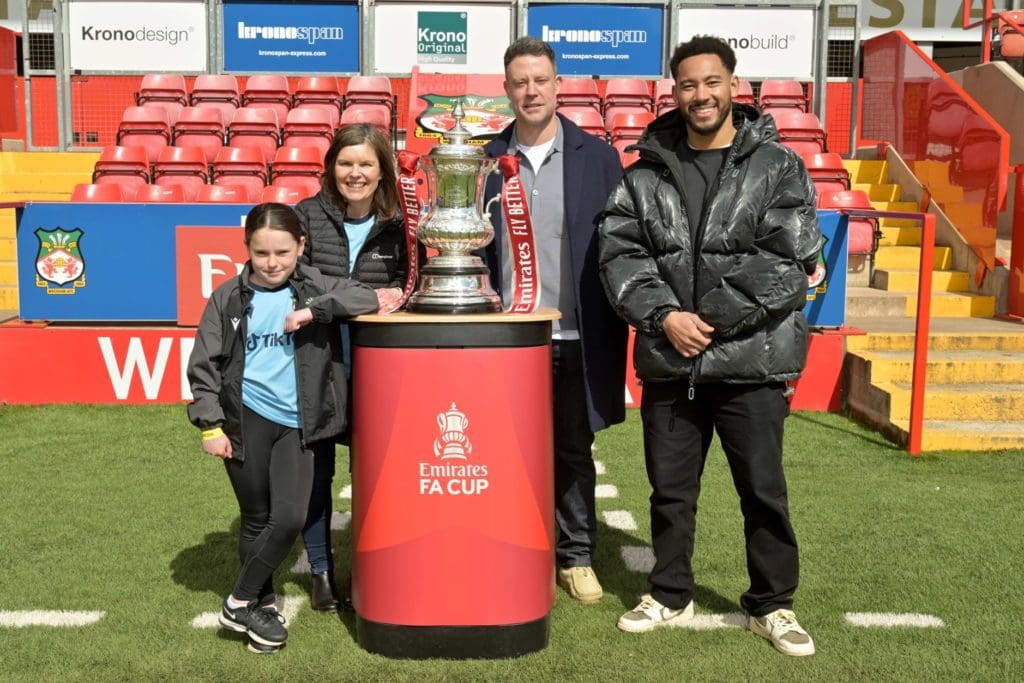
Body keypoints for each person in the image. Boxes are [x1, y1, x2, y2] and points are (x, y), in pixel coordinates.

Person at [598, 36, 821, 656]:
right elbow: (620, 255)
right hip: (672, 361)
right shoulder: (643, 173)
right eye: (689, 85)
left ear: (734, 86)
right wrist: (666, 316)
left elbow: (785, 259)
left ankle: (772, 605)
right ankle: (670, 593)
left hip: (753, 362)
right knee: (671, 493)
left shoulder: (779, 167)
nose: (701, 94)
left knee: (763, 492)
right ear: (675, 93)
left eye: (711, 82)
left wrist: (706, 321)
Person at [186, 202, 378, 652]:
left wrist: (315, 312)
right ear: (247, 250)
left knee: (288, 516)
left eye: (283, 252)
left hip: (298, 424)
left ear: (301, 247)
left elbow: (365, 297)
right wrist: (210, 425)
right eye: (261, 253)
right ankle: (262, 608)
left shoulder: (312, 285)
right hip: (244, 419)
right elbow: (205, 365)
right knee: (255, 517)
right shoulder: (227, 297)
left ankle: (237, 601)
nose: (272, 263)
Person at [483, 37, 628, 605]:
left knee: (572, 450)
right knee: (504, 449)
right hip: (508, 339)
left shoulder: (598, 158)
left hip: (576, 334)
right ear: (506, 90)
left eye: (540, 79)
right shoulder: (487, 160)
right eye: (520, 82)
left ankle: (575, 556)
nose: (531, 91)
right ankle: (510, 545)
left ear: (558, 84)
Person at [293, 123, 411, 611]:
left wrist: (392, 294)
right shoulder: (304, 216)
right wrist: (363, 298)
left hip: (383, 368)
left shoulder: (405, 222)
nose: (355, 173)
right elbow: (301, 279)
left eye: (366, 163)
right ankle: (322, 571)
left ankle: (390, 562)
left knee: (387, 472)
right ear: (330, 167)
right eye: (346, 163)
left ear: (383, 168)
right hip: (320, 364)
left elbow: (410, 283)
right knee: (318, 473)